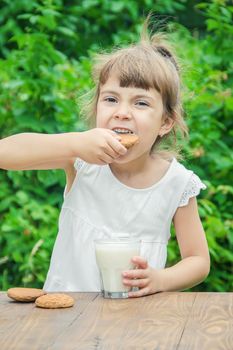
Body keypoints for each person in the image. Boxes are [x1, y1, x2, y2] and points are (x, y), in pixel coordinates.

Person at [0, 23, 210, 297]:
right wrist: (74, 142)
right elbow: (5, 153)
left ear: (165, 122)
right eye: (111, 99)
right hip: (65, 319)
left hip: (131, 323)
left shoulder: (176, 183)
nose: (122, 112)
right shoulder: (82, 161)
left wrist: (160, 279)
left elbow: (198, 260)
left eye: (141, 103)